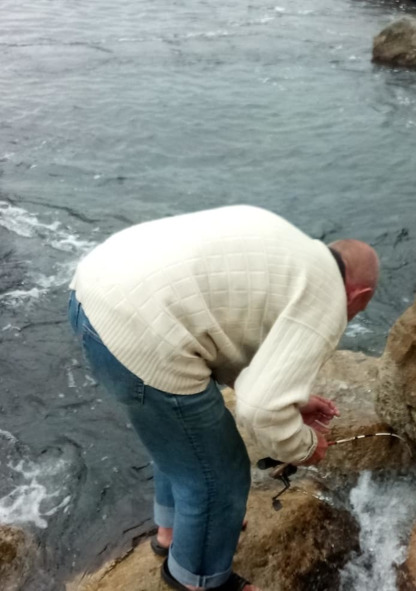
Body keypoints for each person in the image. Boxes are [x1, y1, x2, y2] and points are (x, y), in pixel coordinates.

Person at [67, 205, 379, 591]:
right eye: (359, 309)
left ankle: (172, 532)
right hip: (138, 329)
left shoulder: (290, 251)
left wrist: (293, 400)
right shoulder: (328, 298)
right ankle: (197, 579)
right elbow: (260, 410)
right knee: (219, 473)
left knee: (178, 437)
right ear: (360, 294)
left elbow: (229, 339)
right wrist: (304, 446)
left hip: (94, 291)